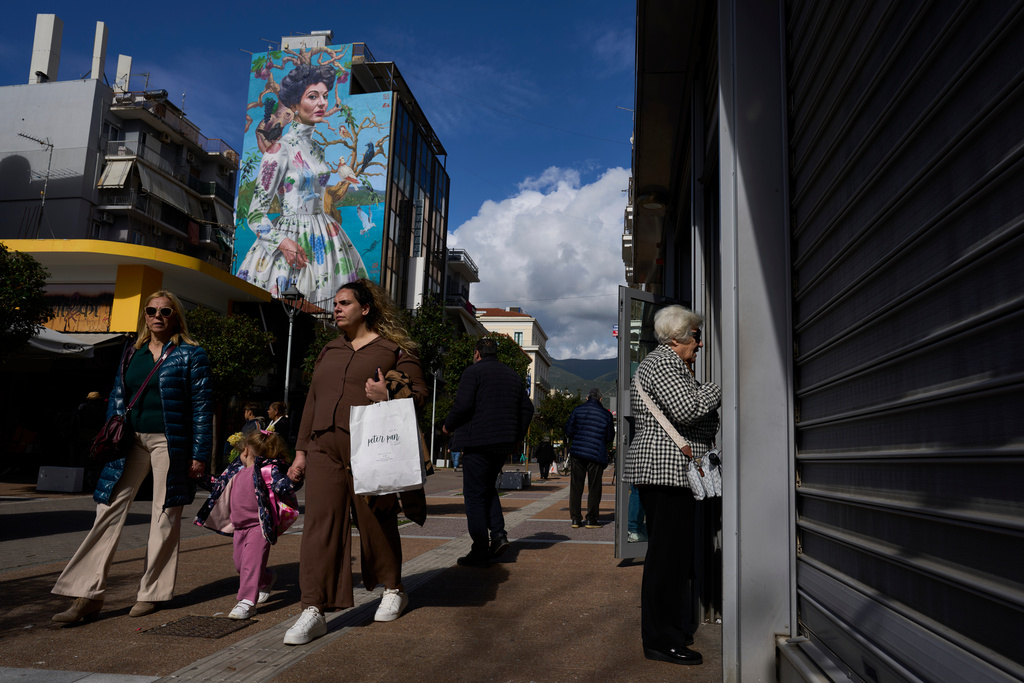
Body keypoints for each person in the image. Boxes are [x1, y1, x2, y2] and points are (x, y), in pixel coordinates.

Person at [51, 290, 212, 623]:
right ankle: (86, 594)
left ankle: (152, 593)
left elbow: (201, 408)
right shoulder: (132, 351)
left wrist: (199, 455)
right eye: (151, 311)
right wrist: (114, 428)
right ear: (144, 316)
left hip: (170, 441)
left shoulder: (191, 354)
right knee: (107, 509)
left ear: (176, 317)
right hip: (130, 440)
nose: (157, 316)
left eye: (165, 311)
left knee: (165, 514)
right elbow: (117, 395)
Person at [283, 279, 427, 645]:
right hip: (323, 448)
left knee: (376, 518)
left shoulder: (392, 349)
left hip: (371, 447)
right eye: (335, 303)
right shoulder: (329, 349)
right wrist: (300, 450)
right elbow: (312, 400)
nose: (336, 308)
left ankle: (393, 588)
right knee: (319, 525)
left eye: (344, 303)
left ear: (365, 308)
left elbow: (420, 393)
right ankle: (313, 608)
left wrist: (388, 392)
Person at [623, 305, 721, 666]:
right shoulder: (665, 362)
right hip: (665, 471)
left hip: (669, 471)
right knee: (667, 559)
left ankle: (668, 632)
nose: (700, 343)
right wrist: (716, 389)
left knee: (672, 556)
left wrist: (704, 412)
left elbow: (700, 420)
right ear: (679, 336)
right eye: (696, 335)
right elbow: (689, 411)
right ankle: (661, 640)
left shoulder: (668, 363)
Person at [236, 63, 368, 304]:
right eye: (313, 96)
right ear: (295, 104)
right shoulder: (279, 149)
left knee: (334, 307)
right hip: (290, 240)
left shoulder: (317, 149)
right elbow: (254, 215)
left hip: (326, 236)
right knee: (286, 308)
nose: (322, 103)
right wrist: (283, 243)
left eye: (325, 96)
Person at [442, 338, 535, 568]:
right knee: (487, 488)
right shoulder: (513, 376)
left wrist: (448, 425)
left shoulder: (473, 372)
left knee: (474, 495)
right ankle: (499, 536)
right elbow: (528, 408)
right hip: (503, 444)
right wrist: (516, 436)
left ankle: (480, 549)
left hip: (478, 442)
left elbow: (463, 405)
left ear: (477, 353)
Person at [194, 429, 301, 620]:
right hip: (239, 527)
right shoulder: (236, 471)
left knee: (250, 565)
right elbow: (217, 484)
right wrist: (200, 477)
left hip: (259, 526)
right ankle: (266, 578)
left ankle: (247, 602)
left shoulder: (267, 470)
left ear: (245, 451)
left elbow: (282, 486)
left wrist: (293, 480)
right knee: (240, 565)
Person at [564, 388, 615, 528]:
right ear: (600, 399)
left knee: (576, 486)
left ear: (587, 398)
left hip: (578, 452)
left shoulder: (577, 410)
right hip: (596, 454)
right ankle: (591, 519)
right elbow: (610, 436)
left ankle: (575, 519)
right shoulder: (606, 414)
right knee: (594, 487)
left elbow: (568, 430)